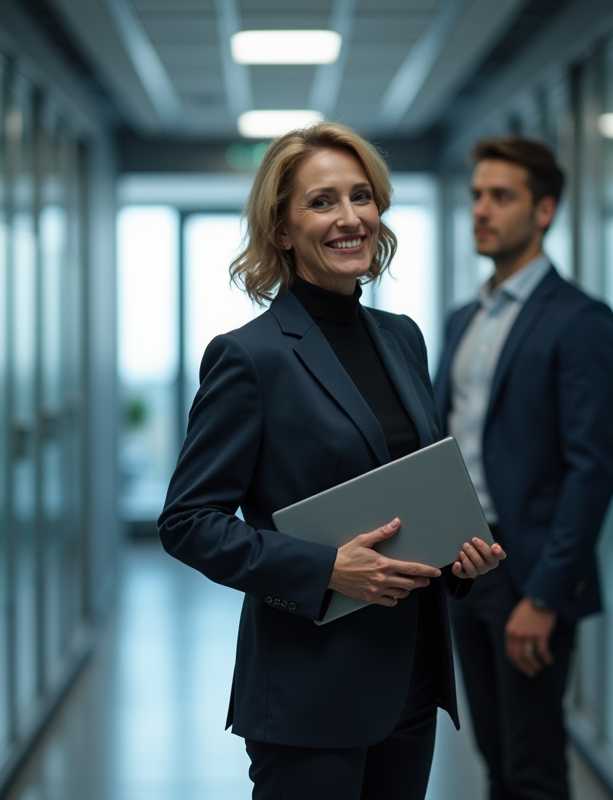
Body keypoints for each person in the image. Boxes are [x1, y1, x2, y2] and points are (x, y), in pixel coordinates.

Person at [158, 122, 506, 800]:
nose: (350, 218)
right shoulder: (249, 357)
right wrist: (325, 570)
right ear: (282, 229)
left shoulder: (402, 339)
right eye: (322, 202)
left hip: (410, 678)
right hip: (310, 688)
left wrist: (460, 558)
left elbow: (414, 488)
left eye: (362, 196)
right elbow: (188, 521)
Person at [433, 136, 613, 800]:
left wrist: (543, 597)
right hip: (463, 563)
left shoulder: (580, 321)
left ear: (544, 211)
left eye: (501, 197)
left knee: (534, 764)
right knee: (494, 756)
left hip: (529, 574)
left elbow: (592, 468)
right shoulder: (462, 320)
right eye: (477, 195)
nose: (481, 210)